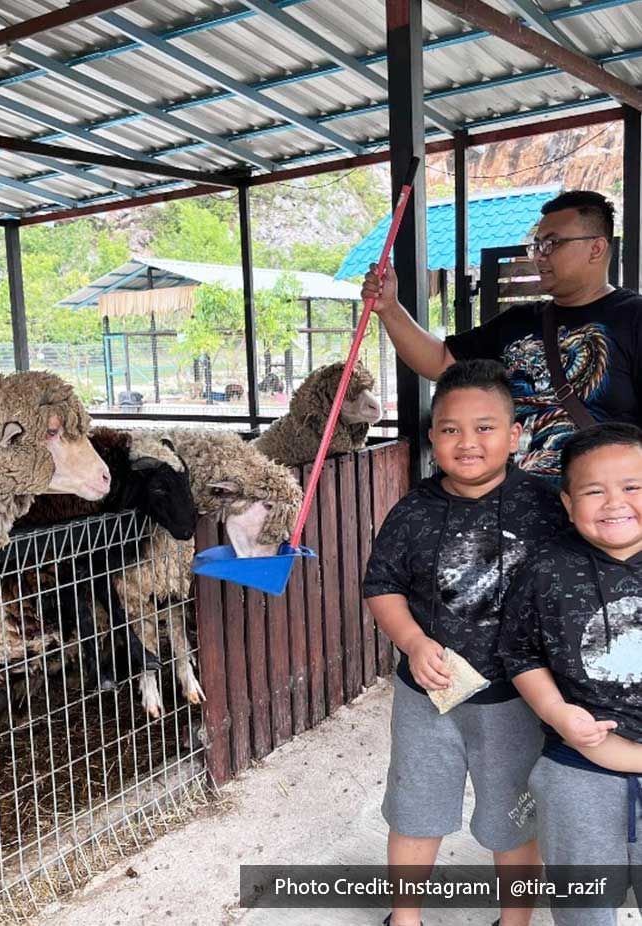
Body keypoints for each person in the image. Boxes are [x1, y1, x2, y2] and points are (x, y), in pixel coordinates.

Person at [363, 359, 566, 926]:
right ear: (432, 437)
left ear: (515, 434)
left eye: (485, 427)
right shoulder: (412, 511)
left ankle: (516, 920)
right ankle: (405, 918)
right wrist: (411, 640)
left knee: (513, 816)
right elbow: (382, 585)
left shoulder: (547, 509)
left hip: (517, 700)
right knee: (414, 808)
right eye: (451, 429)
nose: (467, 442)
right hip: (429, 695)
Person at [362, 190, 642, 480]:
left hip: (603, 511)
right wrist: (389, 308)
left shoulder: (633, 317)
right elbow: (439, 360)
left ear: (596, 248)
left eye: (552, 243)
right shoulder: (519, 321)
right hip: (518, 508)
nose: (540, 256)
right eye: (537, 245)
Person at [499, 422, 642, 926]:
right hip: (578, 764)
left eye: (631, 487)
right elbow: (520, 653)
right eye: (593, 490)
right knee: (583, 903)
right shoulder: (546, 568)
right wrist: (556, 711)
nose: (614, 503)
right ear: (566, 503)